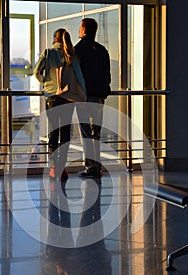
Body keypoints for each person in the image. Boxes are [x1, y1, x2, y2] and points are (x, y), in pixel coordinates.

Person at [34, 29, 86, 181]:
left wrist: (47, 84)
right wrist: (83, 95)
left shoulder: (48, 53)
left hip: (51, 97)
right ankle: (62, 168)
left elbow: (36, 72)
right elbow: (80, 77)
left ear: (54, 39)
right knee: (65, 133)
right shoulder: (71, 56)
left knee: (53, 132)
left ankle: (53, 167)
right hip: (67, 98)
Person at [75, 18, 111, 178]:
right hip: (99, 96)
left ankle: (91, 167)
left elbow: (76, 75)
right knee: (96, 132)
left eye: (80, 28)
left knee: (85, 133)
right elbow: (107, 75)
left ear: (83, 30)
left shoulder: (78, 50)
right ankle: (97, 166)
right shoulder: (102, 50)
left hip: (83, 97)